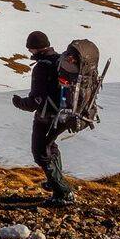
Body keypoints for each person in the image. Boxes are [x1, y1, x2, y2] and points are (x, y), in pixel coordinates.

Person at [11, 31, 75, 206]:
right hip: (62, 116)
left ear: (34, 48)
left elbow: (34, 102)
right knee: (50, 146)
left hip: (46, 117)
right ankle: (55, 181)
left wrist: (18, 102)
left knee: (40, 153)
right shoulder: (60, 60)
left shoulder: (42, 67)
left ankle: (62, 192)